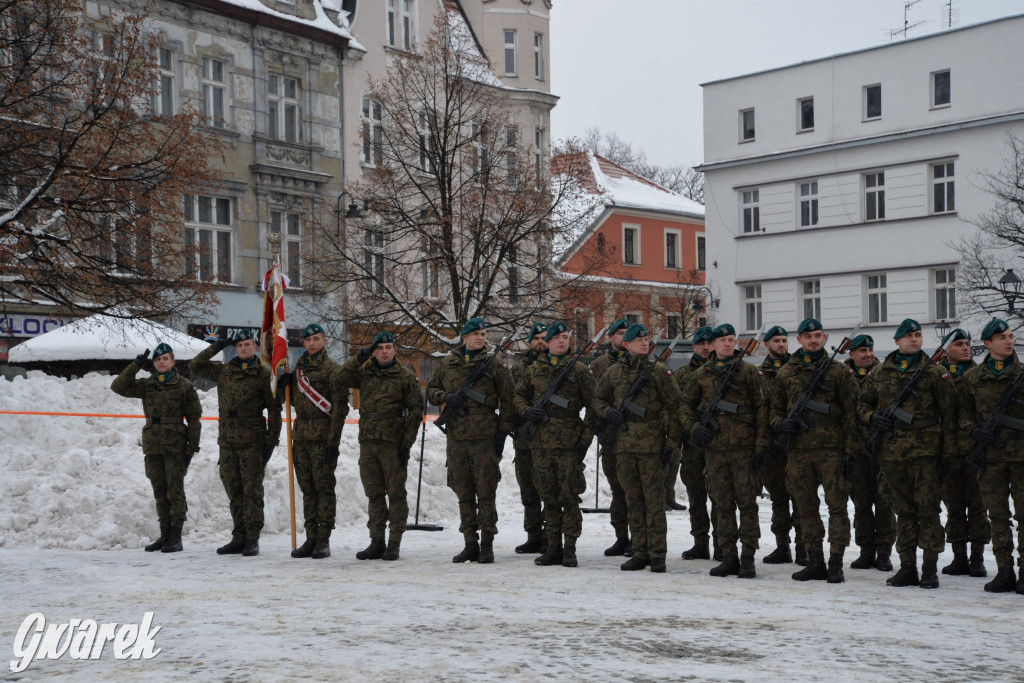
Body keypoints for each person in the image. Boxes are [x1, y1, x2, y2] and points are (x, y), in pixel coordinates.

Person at [858, 318, 954, 589]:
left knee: (928, 512)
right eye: (908, 335)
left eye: (918, 335)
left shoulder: (935, 373)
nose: (914, 339)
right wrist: (873, 417)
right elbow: (861, 405)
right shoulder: (879, 373)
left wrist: (948, 455)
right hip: (891, 454)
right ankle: (908, 567)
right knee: (904, 512)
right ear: (897, 341)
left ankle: (929, 569)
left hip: (926, 455)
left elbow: (950, 416)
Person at [770, 318, 859, 583]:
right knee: (805, 508)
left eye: (818, 335)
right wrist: (780, 424)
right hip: (799, 451)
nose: (813, 340)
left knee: (837, 508)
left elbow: (853, 414)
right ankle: (815, 560)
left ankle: (835, 563)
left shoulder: (838, 371)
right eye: (808, 336)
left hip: (832, 450)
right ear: (799, 340)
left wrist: (851, 452)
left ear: (824, 338)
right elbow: (774, 410)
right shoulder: (786, 373)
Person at [680, 323, 767, 578]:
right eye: (723, 340)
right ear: (714, 344)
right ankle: (728, 555)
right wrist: (695, 427)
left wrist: (761, 447)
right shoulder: (702, 375)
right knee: (722, 504)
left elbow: (762, 410)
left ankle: (748, 556)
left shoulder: (748, 372)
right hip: (715, 451)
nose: (728, 344)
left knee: (747, 504)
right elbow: (684, 406)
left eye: (732, 339)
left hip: (744, 450)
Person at [594, 323, 681, 573]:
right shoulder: (613, 373)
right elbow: (597, 399)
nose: (644, 343)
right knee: (633, 499)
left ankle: (658, 554)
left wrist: (672, 444)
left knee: (654, 501)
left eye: (646, 340)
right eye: (638, 340)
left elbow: (676, 408)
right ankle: (640, 551)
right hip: (624, 446)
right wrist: (608, 412)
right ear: (627, 345)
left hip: (652, 445)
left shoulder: (659, 373)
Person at [427, 318, 514, 564]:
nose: (480, 337)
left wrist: (503, 432)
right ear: (464, 337)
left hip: (485, 437)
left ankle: (487, 543)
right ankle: (469, 543)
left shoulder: (493, 364)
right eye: (475, 333)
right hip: (457, 438)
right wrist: (447, 397)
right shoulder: (448, 363)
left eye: (483, 333)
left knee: (486, 492)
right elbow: (432, 389)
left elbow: (508, 399)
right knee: (463, 491)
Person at [189, 330, 281, 557]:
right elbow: (195, 364)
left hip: (253, 441)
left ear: (255, 347)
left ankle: (252, 538)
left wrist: (271, 440)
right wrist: (217, 346)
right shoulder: (224, 371)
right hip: (228, 442)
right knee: (233, 489)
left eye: (247, 344)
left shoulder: (263, 374)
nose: (243, 348)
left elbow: (274, 409)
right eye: (239, 345)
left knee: (251, 491)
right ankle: (238, 536)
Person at [513, 321, 595, 568]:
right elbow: (517, 396)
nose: (562, 341)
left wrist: (585, 441)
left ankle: (570, 548)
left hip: (569, 443)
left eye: (565, 337)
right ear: (546, 342)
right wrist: (528, 412)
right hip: (541, 443)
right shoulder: (533, 370)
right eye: (557, 337)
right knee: (548, 497)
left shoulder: (578, 370)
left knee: (569, 497)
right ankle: (553, 547)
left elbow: (594, 406)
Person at [336, 331, 423, 561]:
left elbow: (416, 411)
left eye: (388, 347)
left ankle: (394, 542)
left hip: (393, 444)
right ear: (374, 351)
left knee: (395, 494)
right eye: (380, 348)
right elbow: (339, 379)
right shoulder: (365, 373)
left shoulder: (404, 376)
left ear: (395, 350)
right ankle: (376, 541)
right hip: (369, 443)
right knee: (374, 494)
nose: (384, 351)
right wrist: (358, 358)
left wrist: (407, 443)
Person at [111, 343, 202, 554]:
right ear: (153, 363)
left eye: (165, 358)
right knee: (160, 491)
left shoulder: (184, 386)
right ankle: (164, 535)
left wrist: (191, 448)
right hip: (153, 446)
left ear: (173, 362)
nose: (162, 362)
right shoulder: (147, 385)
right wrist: (135, 365)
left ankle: (176, 538)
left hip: (175, 447)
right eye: (158, 359)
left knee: (174, 491)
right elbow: (118, 387)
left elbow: (194, 420)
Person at [959, 318, 1024, 594]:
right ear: (987, 344)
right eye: (1002, 338)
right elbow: (961, 414)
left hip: (1021, 456)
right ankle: (1004, 571)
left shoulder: (1021, 374)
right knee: (997, 517)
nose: (1009, 341)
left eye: (1010, 336)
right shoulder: (971, 378)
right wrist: (974, 432)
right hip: (989, 458)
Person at [279, 323, 348, 560]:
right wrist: (283, 386)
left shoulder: (332, 369)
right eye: (307, 340)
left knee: (324, 488)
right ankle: (310, 537)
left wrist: (334, 442)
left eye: (316, 339)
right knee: (307, 488)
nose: (311, 343)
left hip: (322, 436)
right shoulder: (299, 367)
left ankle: (323, 539)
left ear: (324, 341)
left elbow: (340, 409)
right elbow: (291, 401)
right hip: (302, 437)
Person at [937, 328, 990, 578]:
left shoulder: (980, 374)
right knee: (954, 506)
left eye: (967, 343)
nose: (966, 348)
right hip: (948, 451)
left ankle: (977, 558)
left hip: (975, 451)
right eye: (959, 344)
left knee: (978, 506)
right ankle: (959, 557)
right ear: (946, 349)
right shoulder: (936, 375)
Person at [844, 334, 895, 572]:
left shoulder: (884, 374)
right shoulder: (841, 374)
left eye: (870, 350)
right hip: (854, 449)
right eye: (862, 351)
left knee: (884, 503)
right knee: (861, 503)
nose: (868, 354)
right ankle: (866, 551)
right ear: (851, 354)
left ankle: (884, 552)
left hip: (882, 448)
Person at [674, 325, 720, 561]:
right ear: (693, 347)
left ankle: (722, 543)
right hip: (693, 444)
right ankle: (700, 542)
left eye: (709, 343)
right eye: (700, 343)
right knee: (696, 497)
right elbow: (677, 407)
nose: (705, 347)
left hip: (717, 443)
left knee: (720, 497)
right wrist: (686, 430)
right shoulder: (682, 374)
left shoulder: (723, 370)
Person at [758, 325, 802, 565]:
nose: (782, 345)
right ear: (767, 345)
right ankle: (782, 546)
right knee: (778, 497)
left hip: (796, 443)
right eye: (776, 341)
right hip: (772, 445)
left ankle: (803, 546)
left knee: (801, 497)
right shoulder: (758, 374)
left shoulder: (797, 370)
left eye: (784, 340)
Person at [587, 317, 632, 556]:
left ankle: (639, 538)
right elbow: (593, 399)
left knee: (635, 491)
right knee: (617, 490)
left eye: (628, 333)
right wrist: (600, 430)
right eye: (620, 333)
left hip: (634, 436)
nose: (624, 337)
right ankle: (621, 537)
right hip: (610, 436)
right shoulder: (600, 364)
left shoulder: (639, 362)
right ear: (611, 337)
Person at [507, 322, 548, 554]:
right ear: (530, 342)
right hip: (524, 437)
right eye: (536, 338)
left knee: (548, 489)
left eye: (544, 338)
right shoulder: (519, 368)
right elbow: (512, 398)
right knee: (528, 490)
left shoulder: (554, 366)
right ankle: (533, 535)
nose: (540, 342)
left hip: (548, 438)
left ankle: (549, 535)